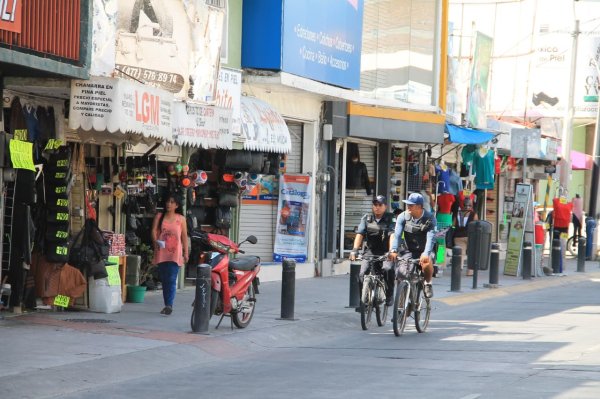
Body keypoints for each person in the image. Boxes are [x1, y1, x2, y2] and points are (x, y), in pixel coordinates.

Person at [349, 195, 396, 306]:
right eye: (375, 205)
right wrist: (354, 250)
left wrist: (391, 251)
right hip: (370, 252)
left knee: (388, 269)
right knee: (362, 274)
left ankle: (389, 295)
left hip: (385, 251)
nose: (377, 207)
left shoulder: (390, 218)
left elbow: (392, 235)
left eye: (380, 205)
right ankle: (364, 299)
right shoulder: (367, 218)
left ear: (385, 206)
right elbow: (360, 234)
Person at [389, 192, 436, 298]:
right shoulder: (403, 216)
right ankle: (403, 305)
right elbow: (397, 235)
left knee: (427, 262)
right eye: (407, 205)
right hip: (409, 250)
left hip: (425, 250)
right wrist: (394, 250)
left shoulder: (430, 218)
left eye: (411, 205)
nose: (408, 207)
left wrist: (426, 253)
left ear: (419, 206)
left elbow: (430, 239)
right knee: (401, 273)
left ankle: (428, 283)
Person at [151, 194, 189, 315]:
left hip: (175, 253)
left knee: (172, 278)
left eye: (172, 202)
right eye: (168, 201)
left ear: (176, 205)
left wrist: (186, 253)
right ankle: (167, 303)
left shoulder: (181, 219)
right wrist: (155, 241)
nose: (169, 204)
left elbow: (184, 237)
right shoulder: (159, 216)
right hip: (162, 251)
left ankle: (169, 305)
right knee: (165, 279)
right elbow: (154, 230)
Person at [452, 197, 478, 276]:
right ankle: (470, 272)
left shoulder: (457, 213)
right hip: (470, 236)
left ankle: (458, 269)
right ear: (471, 205)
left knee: (460, 254)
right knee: (471, 253)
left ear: (463, 205)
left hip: (458, 237)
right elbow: (476, 225)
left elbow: (453, 225)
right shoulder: (473, 214)